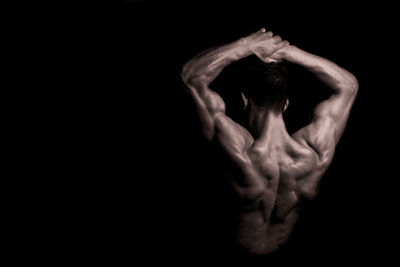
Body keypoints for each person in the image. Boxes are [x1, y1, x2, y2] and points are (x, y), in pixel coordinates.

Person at [180, 28, 358, 255]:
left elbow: (191, 77)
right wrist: (287, 51)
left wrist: (246, 45)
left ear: (245, 101)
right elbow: (348, 85)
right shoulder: (313, 150)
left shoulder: (238, 150)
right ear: (286, 104)